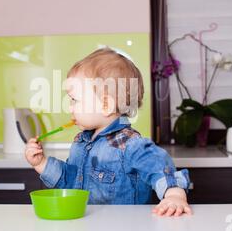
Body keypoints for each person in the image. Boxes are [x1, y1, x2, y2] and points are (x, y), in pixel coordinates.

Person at [25, 47, 192, 216]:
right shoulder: (80, 142)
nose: (70, 107)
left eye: (75, 100)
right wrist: (41, 163)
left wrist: (174, 195)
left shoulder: (130, 144)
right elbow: (71, 182)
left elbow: (160, 168)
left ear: (106, 105)